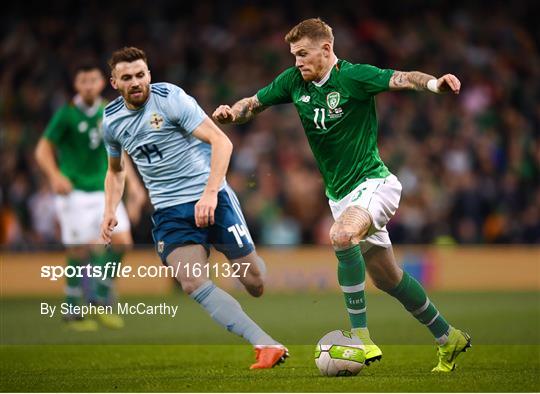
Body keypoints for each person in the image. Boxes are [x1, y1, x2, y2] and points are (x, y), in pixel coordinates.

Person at [213, 18, 471, 372]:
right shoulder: (293, 82)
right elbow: (252, 104)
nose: (297, 62)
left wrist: (435, 84)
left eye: (303, 54)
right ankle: (448, 337)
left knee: (341, 235)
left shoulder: (353, 77)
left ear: (326, 49)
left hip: (375, 183)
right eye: (293, 55)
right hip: (341, 196)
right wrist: (231, 113)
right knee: (388, 278)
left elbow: (403, 78)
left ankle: (361, 339)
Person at [99, 46, 288, 369]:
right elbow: (116, 172)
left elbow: (222, 141)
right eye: (127, 77)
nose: (136, 82)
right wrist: (109, 210)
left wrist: (211, 193)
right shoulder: (111, 122)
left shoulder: (171, 98)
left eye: (141, 75)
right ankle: (265, 344)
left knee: (254, 283)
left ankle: (245, 258)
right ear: (114, 82)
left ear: (149, 75)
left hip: (211, 196)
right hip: (170, 212)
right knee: (191, 282)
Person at [35, 64, 145, 331]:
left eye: (93, 80)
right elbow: (42, 149)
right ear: (76, 84)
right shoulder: (66, 114)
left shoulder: (110, 110)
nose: (88, 85)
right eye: (83, 81)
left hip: (104, 189)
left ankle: (99, 296)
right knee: (79, 251)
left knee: (123, 241)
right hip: (74, 192)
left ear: (102, 83)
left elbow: (120, 151)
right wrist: (54, 176)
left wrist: (134, 186)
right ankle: (73, 311)